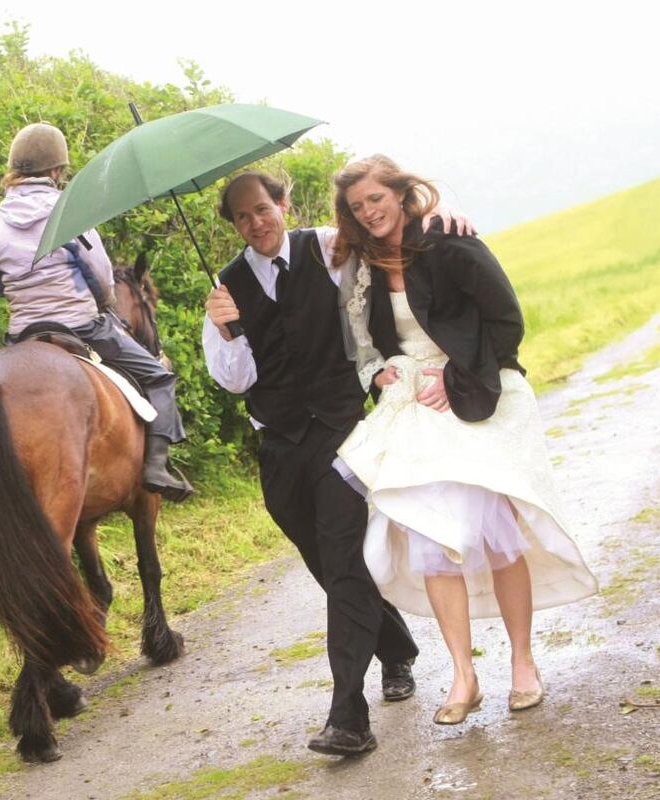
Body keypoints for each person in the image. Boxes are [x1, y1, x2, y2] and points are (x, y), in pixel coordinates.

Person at [203, 171, 471, 755]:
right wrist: (225, 330)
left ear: (282, 203)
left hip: (343, 432)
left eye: (263, 208)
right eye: (243, 216)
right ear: (234, 225)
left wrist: (442, 216)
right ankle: (396, 645)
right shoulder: (224, 286)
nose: (257, 222)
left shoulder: (329, 245)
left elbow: (389, 228)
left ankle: (349, 715)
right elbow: (234, 382)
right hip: (279, 444)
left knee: (345, 558)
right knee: (325, 561)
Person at [331, 154, 598, 725]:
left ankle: (523, 663)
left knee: (497, 532)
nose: (369, 212)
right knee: (433, 539)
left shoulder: (447, 240)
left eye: (377, 199)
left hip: (476, 389)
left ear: (401, 195)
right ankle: (463, 674)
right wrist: (377, 372)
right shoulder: (364, 264)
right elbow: (364, 340)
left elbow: (506, 320)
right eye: (357, 207)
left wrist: (456, 380)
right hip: (414, 403)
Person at [0, 122, 192, 502]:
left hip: (21, 333)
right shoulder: (69, 212)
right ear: (56, 171)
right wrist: (104, 303)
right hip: (81, 327)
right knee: (159, 376)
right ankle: (157, 466)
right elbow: (101, 277)